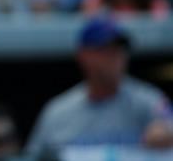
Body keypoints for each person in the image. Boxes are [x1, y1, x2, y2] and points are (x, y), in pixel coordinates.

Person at [27, 17, 173, 155]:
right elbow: (33, 156)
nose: (115, 58)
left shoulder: (148, 100)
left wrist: (167, 134)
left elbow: (168, 126)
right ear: (83, 55)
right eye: (105, 51)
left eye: (119, 50)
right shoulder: (57, 112)